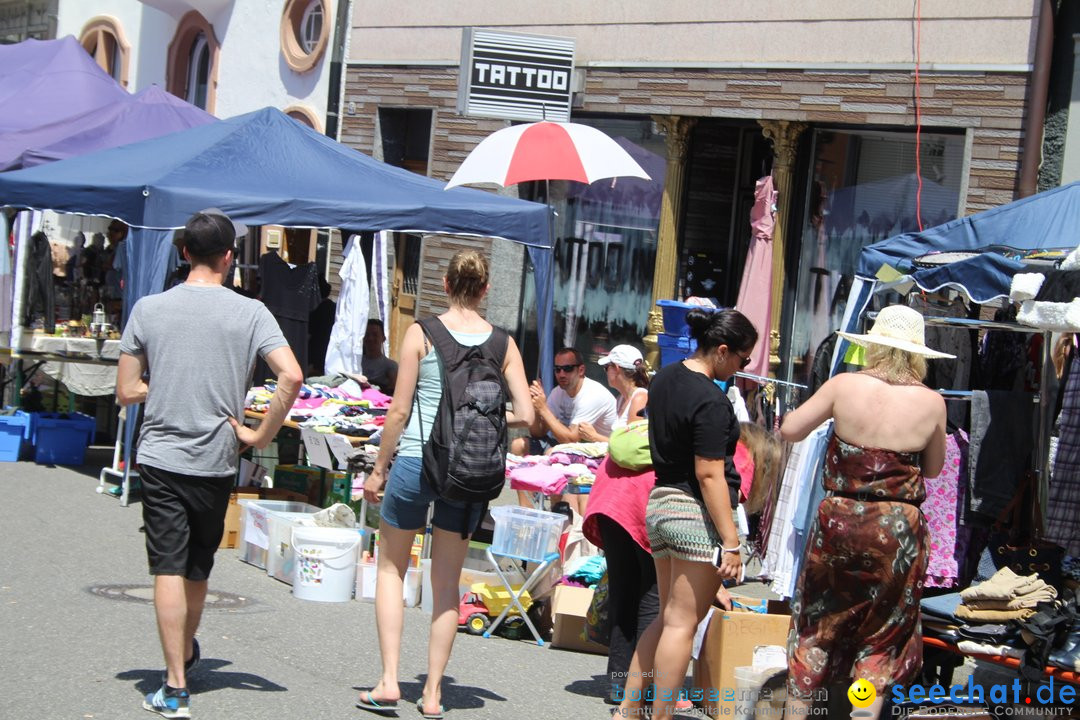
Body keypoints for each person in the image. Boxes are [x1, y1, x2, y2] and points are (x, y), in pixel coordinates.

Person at [116, 209, 303, 719]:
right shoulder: (251, 312)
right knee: (197, 566)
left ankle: (175, 682)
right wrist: (259, 434)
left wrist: (164, 383)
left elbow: (125, 390)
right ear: (228, 258)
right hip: (217, 458)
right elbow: (292, 376)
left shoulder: (149, 309)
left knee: (168, 567)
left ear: (182, 254)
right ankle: (184, 659)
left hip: (160, 456)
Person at [359, 249, 532, 719]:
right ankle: (433, 693)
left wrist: (378, 470)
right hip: (469, 472)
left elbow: (398, 411)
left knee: (392, 568)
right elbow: (528, 415)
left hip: (417, 462)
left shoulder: (422, 333)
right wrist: (488, 417)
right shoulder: (504, 343)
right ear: (486, 289)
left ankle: (390, 680)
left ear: (444, 281)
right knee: (447, 583)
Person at [780, 304, 949, 720]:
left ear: (873, 345)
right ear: (918, 353)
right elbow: (932, 468)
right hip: (896, 529)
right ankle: (861, 712)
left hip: (839, 519)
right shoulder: (931, 402)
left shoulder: (843, 385)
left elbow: (789, 430)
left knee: (817, 627)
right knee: (881, 633)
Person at [617, 308, 757, 720]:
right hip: (694, 512)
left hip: (660, 503)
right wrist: (731, 541)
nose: (742, 369)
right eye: (742, 360)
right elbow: (710, 472)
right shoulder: (711, 399)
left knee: (666, 617)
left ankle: (628, 710)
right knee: (682, 623)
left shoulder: (665, 379)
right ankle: (659, 715)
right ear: (723, 350)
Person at [579, 343, 649, 442]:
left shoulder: (639, 399)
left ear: (616, 368)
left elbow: (631, 445)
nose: (605, 372)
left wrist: (594, 437)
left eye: (606, 367)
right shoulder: (620, 399)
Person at [361, 318, 398, 395]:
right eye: (367, 334)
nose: (370, 338)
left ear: (383, 338)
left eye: (375, 335)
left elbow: (394, 393)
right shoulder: (356, 363)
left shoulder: (390, 366)